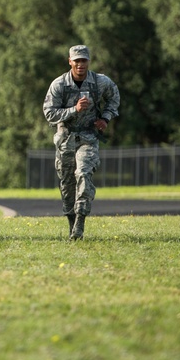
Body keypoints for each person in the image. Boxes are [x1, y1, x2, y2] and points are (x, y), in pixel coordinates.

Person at [43, 45, 121, 241]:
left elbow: (114, 97)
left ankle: (80, 223)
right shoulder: (59, 84)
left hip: (88, 138)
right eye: (76, 61)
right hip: (66, 139)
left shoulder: (100, 82)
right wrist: (74, 110)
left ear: (88, 61)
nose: (80, 64)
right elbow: (49, 113)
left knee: (84, 174)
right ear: (70, 61)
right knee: (67, 184)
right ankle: (71, 225)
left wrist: (105, 118)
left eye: (83, 60)